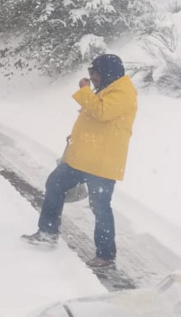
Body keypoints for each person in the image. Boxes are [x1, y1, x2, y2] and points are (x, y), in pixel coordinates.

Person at [22, 54, 138, 268]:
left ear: (107, 73)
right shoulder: (109, 88)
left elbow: (102, 112)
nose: (92, 78)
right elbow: (96, 117)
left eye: (94, 74)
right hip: (83, 158)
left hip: (103, 163)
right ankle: (47, 232)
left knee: (100, 207)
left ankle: (105, 256)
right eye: (91, 74)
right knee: (54, 184)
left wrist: (84, 91)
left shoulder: (124, 92)